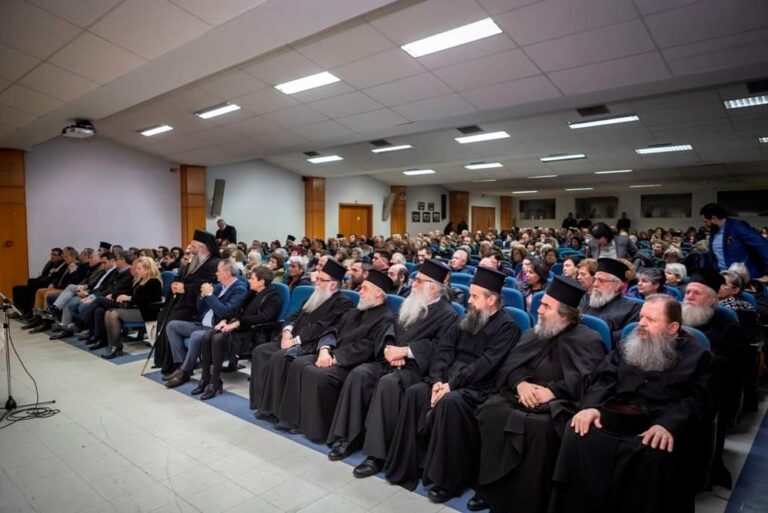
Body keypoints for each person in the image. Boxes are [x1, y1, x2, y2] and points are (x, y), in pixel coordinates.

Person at [552, 295, 715, 513]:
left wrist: (668, 425)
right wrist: (591, 407)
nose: (641, 324)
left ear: (672, 327)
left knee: (656, 453)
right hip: (615, 416)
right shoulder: (628, 345)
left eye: (651, 320)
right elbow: (604, 378)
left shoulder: (699, 357)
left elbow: (699, 401)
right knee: (577, 431)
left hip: (658, 424)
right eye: (641, 317)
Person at [384, 266, 521, 501]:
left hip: (478, 388)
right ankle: (409, 466)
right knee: (416, 392)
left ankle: (446, 481)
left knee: (450, 402)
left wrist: (451, 385)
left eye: (475, 296)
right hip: (448, 380)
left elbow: (485, 365)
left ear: (491, 300)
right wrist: (438, 380)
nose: (469, 300)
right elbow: (444, 351)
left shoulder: (508, 328)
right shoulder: (466, 318)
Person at [474, 277, 606, 513]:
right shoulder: (535, 332)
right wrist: (521, 384)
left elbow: (586, 381)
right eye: (540, 304)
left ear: (564, 315)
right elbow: (511, 365)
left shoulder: (588, 339)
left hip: (558, 403)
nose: (539, 310)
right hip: (520, 395)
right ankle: (490, 489)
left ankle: (527, 502)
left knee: (537, 427)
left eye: (546, 306)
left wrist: (552, 391)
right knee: (491, 411)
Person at [326, 259, 458, 468]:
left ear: (433, 287)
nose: (413, 284)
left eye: (419, 281)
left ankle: (376, 455)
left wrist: (406, 351)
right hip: (390, 359)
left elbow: (440, 347)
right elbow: (391, 329)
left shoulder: (448, 314)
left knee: (388, 384)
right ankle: (348, 438)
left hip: (415, 369)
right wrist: (388, 347)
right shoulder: (411, 302)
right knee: (360, 373)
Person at [276, 270, 395, 441]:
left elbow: (367, 348)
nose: (359, 291)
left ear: (378, 293)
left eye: (364, 288)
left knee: (315, 373)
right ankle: (293, 419)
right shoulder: (355, 311)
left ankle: (317, 430)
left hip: (351, 362)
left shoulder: (386, 318)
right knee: (298, 363)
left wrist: (335, 357)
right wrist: (325, 348)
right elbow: (333, 329)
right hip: (330, 352)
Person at [250, 258, 354, 418]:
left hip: (309, 345)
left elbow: (321, 327)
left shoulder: (343, 303)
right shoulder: (316, 295)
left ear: (333, 285)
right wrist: (287, 332)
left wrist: (294, 341)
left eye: (321, 280)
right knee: (260, 351)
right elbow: (294, 315)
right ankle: (261, 402)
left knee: (280, 358)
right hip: (291, 339)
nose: (316, 282)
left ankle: (276, 411)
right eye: (317, 278)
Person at [681, 268, 745, 489]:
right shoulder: (675, 317)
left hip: (709, 388)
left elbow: (734, 368)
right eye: (687, 292)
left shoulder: (729, 327)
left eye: (696, 293)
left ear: (712, 299)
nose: (689, 297)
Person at [196, 266, 283, 399]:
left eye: (252, 278)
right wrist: (225, 320)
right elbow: (237, 310)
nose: (249, 281)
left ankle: (214, 382)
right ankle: (205, 378)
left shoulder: (274, 297)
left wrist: (238, 322)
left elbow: (263, 318)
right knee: (208, 335)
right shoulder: (252, 293)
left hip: (252, 333)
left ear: (261, 282)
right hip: (239, 328)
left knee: (218, 339)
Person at [164, 259, 248, 388]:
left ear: (227, 273)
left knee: (196, 335)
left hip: (216, 328)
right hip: (202, 324)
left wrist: (209, 294)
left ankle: (184, 372)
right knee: (172, 326)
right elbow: (200, 308)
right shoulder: (219, 286)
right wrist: (202, 296)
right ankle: (182, 365)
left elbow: (225, 312)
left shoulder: (239, 289)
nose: (216, 273)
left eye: (218, 271)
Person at [154, 230, 220, 373]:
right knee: (163, 316)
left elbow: (209, 285)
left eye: (194, 246)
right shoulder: (195, 259)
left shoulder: (214, 263)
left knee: (172, 319)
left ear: (203, 248)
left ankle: (177, 363)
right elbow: (182, 277)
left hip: (197, 305)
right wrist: (175, 284)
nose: (190, 248)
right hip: (184, 300)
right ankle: (164, 360)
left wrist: (186, 288)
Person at [100, 256, 163, 359]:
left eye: (139, 268)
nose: (136, 271)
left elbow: (145, 300)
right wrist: (117, 296)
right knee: (108, 313)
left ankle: (117, 346)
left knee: (114, 314)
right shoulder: (139, 280)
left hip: (147, 312)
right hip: (136, 309)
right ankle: (111, 344)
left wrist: (129, 298)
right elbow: (128, 292)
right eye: (136, 268)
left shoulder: (154, 281)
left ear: (148, 269)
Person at [581, 258, 641, 347]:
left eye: (601, 280)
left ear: (617, 285)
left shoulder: (633, 309)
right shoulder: (587, 302)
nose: (595, 284)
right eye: (594, 280)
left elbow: (623, 342)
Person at [700, 203, 768, 281]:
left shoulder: (737, 226)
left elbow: (762, 246)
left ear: (714, 218)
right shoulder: (714, 230)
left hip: (742, 278)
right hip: (722, 276)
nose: (704, 224)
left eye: (705, 221)